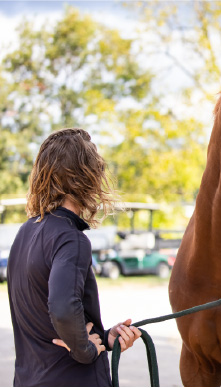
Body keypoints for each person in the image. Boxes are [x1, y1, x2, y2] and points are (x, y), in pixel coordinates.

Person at [7, 128, 142, 386]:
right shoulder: (71, 239)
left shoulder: (26, 231)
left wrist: (104, 338)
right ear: (87, 176)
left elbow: (44, 318)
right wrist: (85, 350)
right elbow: (63, 308)